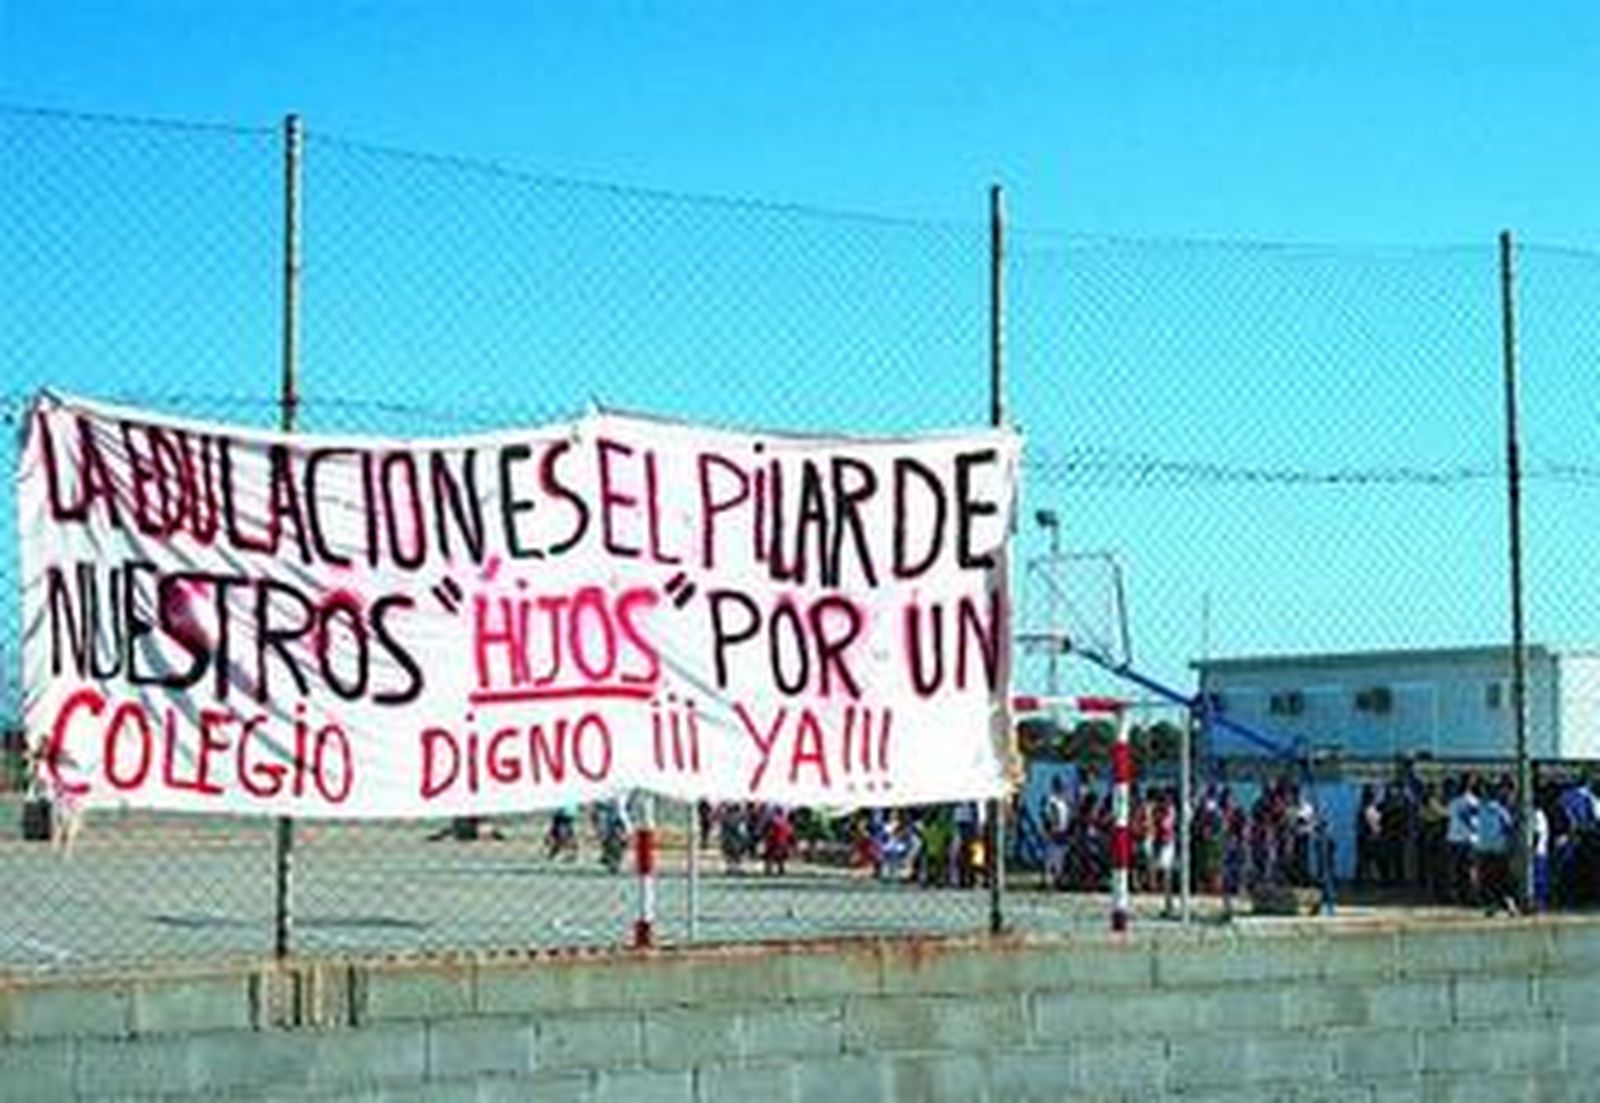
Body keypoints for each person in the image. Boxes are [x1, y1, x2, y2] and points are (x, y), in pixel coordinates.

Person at [1444, 775, 1480, 905]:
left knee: (1454, 869)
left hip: (1454, 838)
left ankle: (1454, 895)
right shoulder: (1475, 802)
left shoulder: (1454, 802)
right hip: (1470, 839)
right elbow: (1476, 823)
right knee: (1470, 869)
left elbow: (1447, 817)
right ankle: (1472, 895)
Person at [1041, 776, 1072, 891]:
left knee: (1060, 859)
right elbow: (1047, 816)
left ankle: (1057, 880)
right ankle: (1049, 882)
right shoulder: (1051, 800)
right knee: (1051, 859)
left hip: (1062, 832)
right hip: (1053, 833)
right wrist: (1050, 830)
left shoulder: (1063, 801)